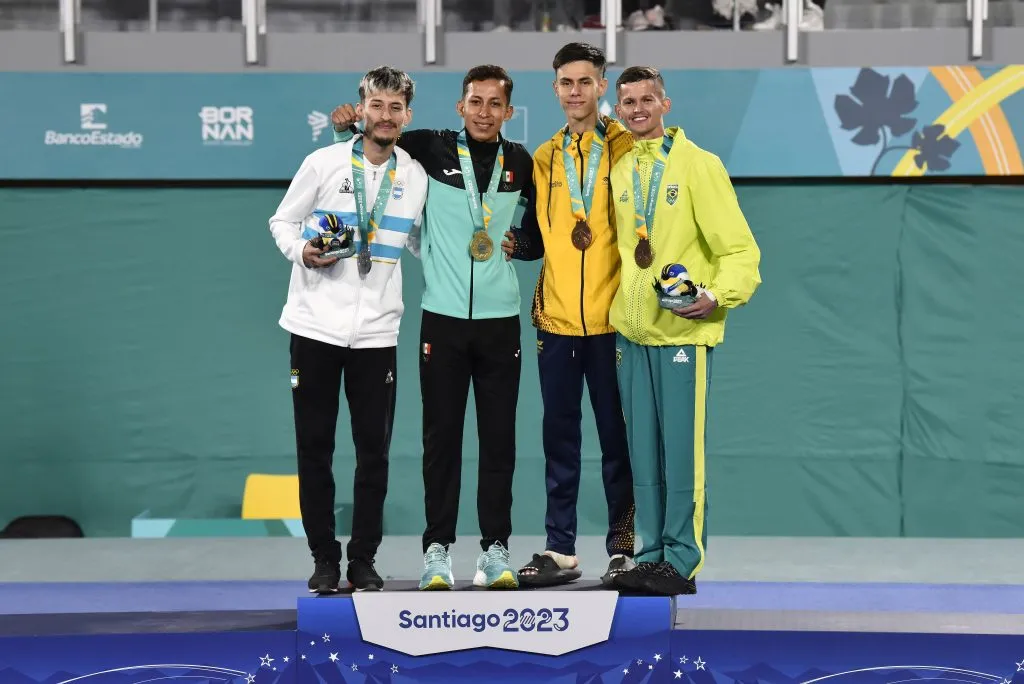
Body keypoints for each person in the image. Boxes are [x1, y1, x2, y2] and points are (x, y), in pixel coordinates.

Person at [331, 65, 540, 591]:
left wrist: (522, 245)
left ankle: (495, 550)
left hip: (500, 325)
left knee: (498, 444)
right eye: (476, 101)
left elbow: (538, 236)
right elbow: (379, 138)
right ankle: (437, 551)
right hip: (441, 323)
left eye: (496, 104)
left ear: (509, 112)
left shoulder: (521, 163)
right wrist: (345, 127)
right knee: (440, 442)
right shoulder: (429, 146)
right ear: (460, 106)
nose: (485, 112)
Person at [268, 65, 428, 594]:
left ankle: (362, 559)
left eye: (395, 107)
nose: (385, 116)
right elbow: (283, 222)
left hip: (377, 335)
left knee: (373, 454)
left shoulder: (415, 176)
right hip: (314, 328)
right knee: (314, 448)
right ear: (361, 109)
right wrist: (301, 251)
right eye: (376, 105)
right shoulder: (324, 162)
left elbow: (421, 242)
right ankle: (323, 559)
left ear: (408, 115)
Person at [608, 66, 761, 595]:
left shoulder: (700, 166)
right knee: (643, 457)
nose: (637, 109)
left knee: (681, 454)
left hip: (682, 336)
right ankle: (649, 553)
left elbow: (740, 250)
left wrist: (716, 296)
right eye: (627, 102)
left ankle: (682, 559)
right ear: (619, 110)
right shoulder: (620, 168)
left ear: (665, 104)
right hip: (631, 336)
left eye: (647, 99)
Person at [503, 42, 637, 588]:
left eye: (585, 81)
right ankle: (560, 551)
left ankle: (623, 549)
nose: (575, 92)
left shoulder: (629, 147)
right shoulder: (543, 156)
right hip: (556, 321)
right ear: (555, 88)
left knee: (616, 439)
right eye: (565, 82)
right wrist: (516, 244)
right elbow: (541, 236)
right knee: (559, 438)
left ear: (602, 86)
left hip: (613, 321)